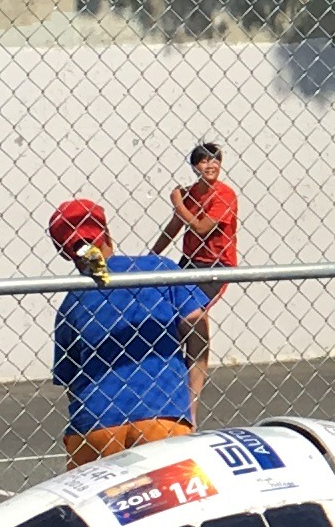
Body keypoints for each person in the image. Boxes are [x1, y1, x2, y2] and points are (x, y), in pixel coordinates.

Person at [45, 198, 218, 467]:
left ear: (65, 252)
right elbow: (197, 326)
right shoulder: (158, 270)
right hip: (163, 412)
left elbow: (71, 382)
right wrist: (189, 403)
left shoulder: (71, 304)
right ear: (107, 233)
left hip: (94, 421)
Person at [167, 139, 239, 422]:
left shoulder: (224, 195)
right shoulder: (191, 194)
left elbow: (199, 225)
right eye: (204, 160)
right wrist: (147, 259)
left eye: (215, 160)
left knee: (194, 319)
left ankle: (190, 409)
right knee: (172, 320)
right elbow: (175, 227)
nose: (210, 165)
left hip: (216, 267)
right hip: (190, 263)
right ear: (195, 166)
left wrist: (177, 203)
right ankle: (175, 394)